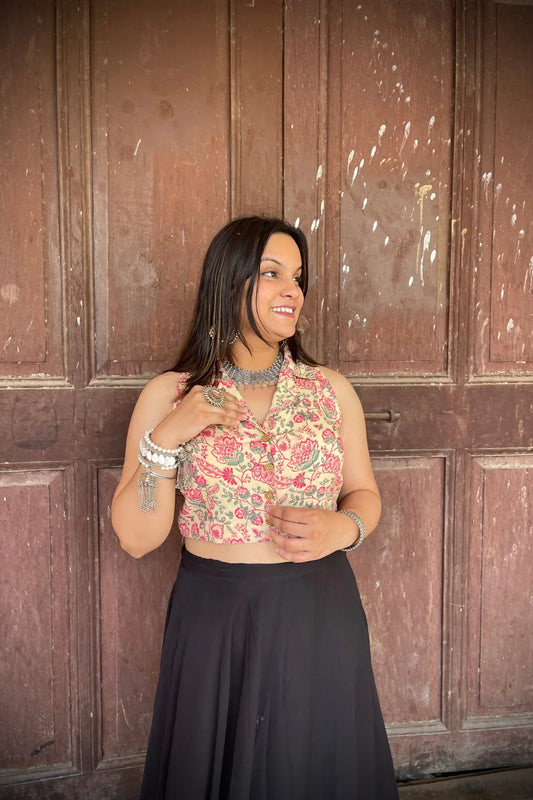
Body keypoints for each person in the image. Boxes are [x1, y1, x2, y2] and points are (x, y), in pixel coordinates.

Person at [111, 216, 398, 800]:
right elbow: (138, 538)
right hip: (217, 624)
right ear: (228, 280)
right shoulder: (171, 394)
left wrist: (343, 527)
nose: (292, 289)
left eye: (297, 276)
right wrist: (167, 436)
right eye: (271, 273)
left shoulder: (330, 390)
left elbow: (365, 494)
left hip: (319, 615)